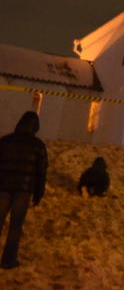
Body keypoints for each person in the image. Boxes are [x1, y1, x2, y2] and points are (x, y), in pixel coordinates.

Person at [0, 111, 48, 269]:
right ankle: (8, 260)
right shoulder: (38, 146)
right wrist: (38, 193)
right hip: (23, 191)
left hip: (3, 187)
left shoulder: (5, 141)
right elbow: (41, 172)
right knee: (15, 226)